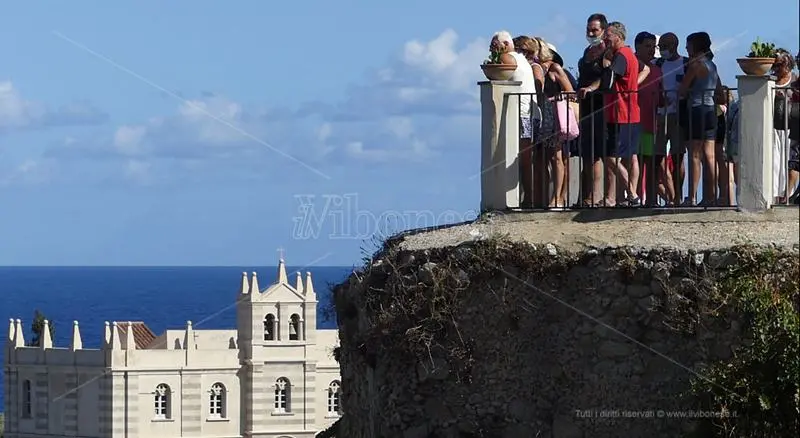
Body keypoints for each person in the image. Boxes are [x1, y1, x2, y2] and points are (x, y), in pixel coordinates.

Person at [579, 21, 647, 207]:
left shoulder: (621, 55)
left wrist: (606, 64)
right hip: (629, 113)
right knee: (628, 156)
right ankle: (630, 196)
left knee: (610, 156)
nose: (605, 39)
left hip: (620, 113)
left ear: (618, 36)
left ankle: (632, 194)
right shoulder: (629, 54)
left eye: (608, 35)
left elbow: (608, 81)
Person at [490, 31, 539, 207]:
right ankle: (528, 198)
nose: (492, 49)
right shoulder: (520, 59)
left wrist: (494, 59)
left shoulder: (508, 58)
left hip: (522, 113)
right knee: (525, 158)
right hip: (529, 113)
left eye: (494, 46)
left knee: (523, 158)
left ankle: (529, 198)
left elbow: (494, 74)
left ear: (505, 44)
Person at [678, 31, 724, 206]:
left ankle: (691, 196)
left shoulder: (695, 65)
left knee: (695, 156)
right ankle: (710, 196)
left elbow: (682, 90)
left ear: (695, 46)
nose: (686, 48)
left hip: (696, 110)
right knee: (710, 156)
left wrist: (688, 91)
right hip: (710, 110)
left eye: (688, 45)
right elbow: (720, 93)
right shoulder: (712, 65)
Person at [635, 31, 675, 206]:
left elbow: (659, 98)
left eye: (653, 47)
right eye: (647, 46)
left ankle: (651, 200)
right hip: (632, 123)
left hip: (650, 124)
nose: (651, 50)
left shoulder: (657, 70)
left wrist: (667, 99)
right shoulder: (632, 66)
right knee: (634, 162)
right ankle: (634, 198)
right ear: (637, 46)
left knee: (650, 163)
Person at [575, 13, 608, 207]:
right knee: (587, 153)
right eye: (588, 29)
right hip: (585, 108)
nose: (591, 33)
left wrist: (590, 88)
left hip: (601, 106)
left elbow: (605, 78)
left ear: (603, 30)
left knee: (596, 154)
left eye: (595, 30)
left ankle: (595, 196)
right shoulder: (587, 51)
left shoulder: (607, 53)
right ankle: (585, 196)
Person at [655, 32, 690, 205]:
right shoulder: (657, 64)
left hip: (678, 115)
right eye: (660, 46)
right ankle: (669, 195)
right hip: (659, 116)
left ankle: (678, 196)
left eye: (665, 46)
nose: (662, 49)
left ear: (674, 45)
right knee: (658, 157)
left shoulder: (685, 63)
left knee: (678, 157)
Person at [771, 49, 797, 204]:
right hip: (774, 127)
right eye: (775, 65)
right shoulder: (770, 81)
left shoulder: (795, 80)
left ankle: (787, 195)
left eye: (780, 65)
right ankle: (774, 195)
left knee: (789, 161)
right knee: (774, 161)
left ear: (788, 64)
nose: (777, 68)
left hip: (790, 127)